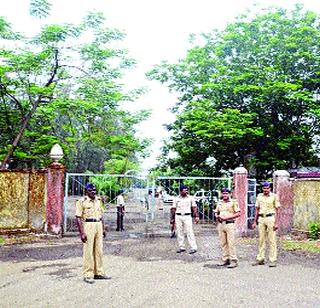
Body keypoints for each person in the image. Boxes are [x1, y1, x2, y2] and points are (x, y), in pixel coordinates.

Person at [75, 183, 111, 283]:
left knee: (99, 250)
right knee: (88, 251)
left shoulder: (98, 201)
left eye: (94, 190)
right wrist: (82, 233)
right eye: (91, 190)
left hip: (98, 225)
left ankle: (99, 272)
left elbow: (101, 215)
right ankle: (88, 274)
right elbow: (78, 218)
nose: (93, 192)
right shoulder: (81, 202)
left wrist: (103, 228)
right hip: (88, 225)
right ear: (87, 191)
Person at [252, 181, 280, 267]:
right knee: (261, 239)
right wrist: (254, 221)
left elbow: (278, 210)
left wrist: (277, 223)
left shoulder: (274, 196)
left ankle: (272, 259)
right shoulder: (259, 196)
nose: (266, 190)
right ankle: (260, 258)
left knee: (271, 239)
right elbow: (257, 209)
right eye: (264, 188)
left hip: (270, 218)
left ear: (270, 189)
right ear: (262, 189)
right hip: (261, 218)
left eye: (267, 188)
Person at [215, 188, 241, 268]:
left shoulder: (233, 202)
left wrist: (227, 218)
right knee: (223, 243)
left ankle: (234, 260)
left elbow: (238, 213)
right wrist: (216, 215)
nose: (225, 195)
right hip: (221, 225)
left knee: (231, 243)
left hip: (229, 224)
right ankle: (225, 259)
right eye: (223, 193)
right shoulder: (219, 202)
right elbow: (216, 211)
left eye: (226, 193)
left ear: (230, 194)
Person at [170, 185, 199, 254]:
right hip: (178, 216)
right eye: (184, 190)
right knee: (179, 232)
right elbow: (173, 209)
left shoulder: (190, 198)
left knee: (189, 231)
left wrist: (196, 216)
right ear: (180, 191)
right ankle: (181, 247)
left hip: (187, 216)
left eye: (187, 190)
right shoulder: (176, 199)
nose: (186, 191)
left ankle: (193, 247)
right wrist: (172, 219)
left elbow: (194, 207)